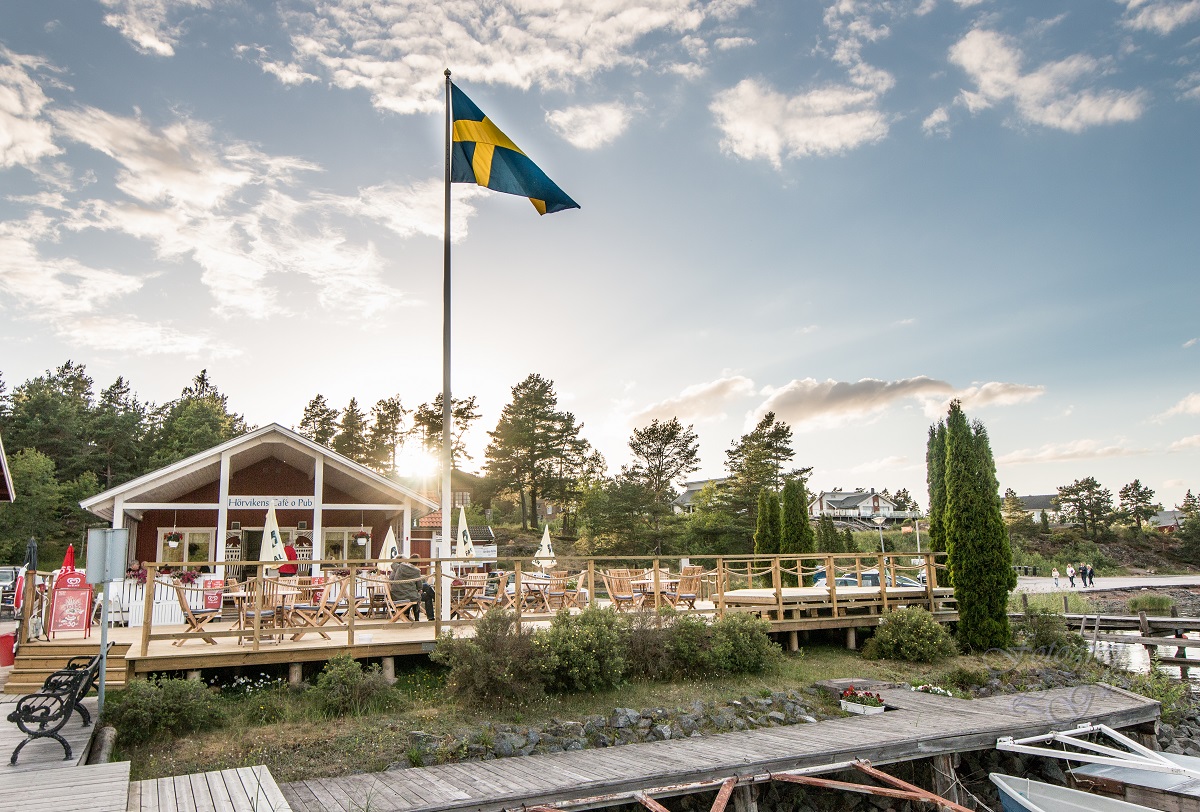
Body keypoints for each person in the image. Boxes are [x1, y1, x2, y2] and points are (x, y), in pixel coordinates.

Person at [390, 555, 435, 620]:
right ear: (418, 563)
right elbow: (419, 586)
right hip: (407, 595)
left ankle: (431, 615)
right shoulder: (416, 570)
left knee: (426, 590)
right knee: (426, 587)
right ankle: (438, 600)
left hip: (397, 594)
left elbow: (393, 564)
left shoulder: (399, 567)